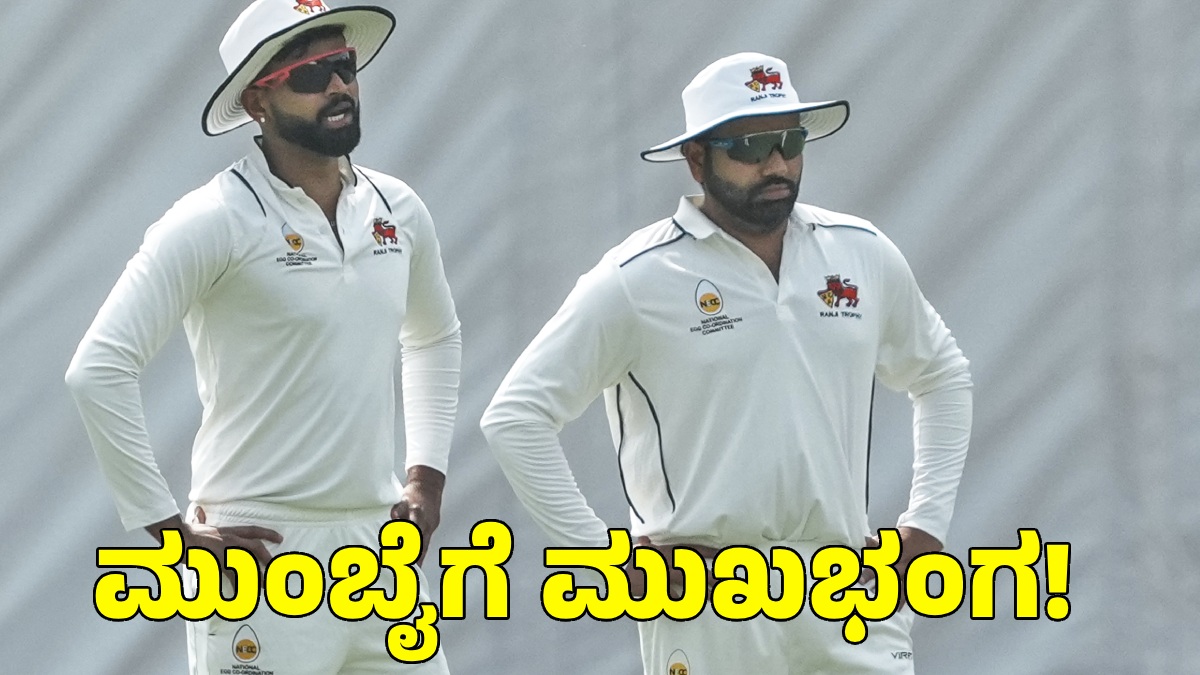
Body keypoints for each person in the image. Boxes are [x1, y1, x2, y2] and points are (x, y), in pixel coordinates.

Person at [481, 52, 972, 674]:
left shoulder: (861, 252)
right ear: (697, 159)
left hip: (850, 593)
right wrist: (603, 558)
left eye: (790, 141)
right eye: (750, 146)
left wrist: (926, 525)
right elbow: (516, 418)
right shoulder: (637, 276)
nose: (777, 164)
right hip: (709, 602)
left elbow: (941, 374)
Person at [65, 1, 460, 672]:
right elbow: (98, 369)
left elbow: (434, 335)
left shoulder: (398, 209)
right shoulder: (211, 220)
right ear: (257, 101)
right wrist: (169, 532)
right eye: (309, 74)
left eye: (344, 65)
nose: (338, 86)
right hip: (258, 550)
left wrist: (425, 477)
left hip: (380, 550)